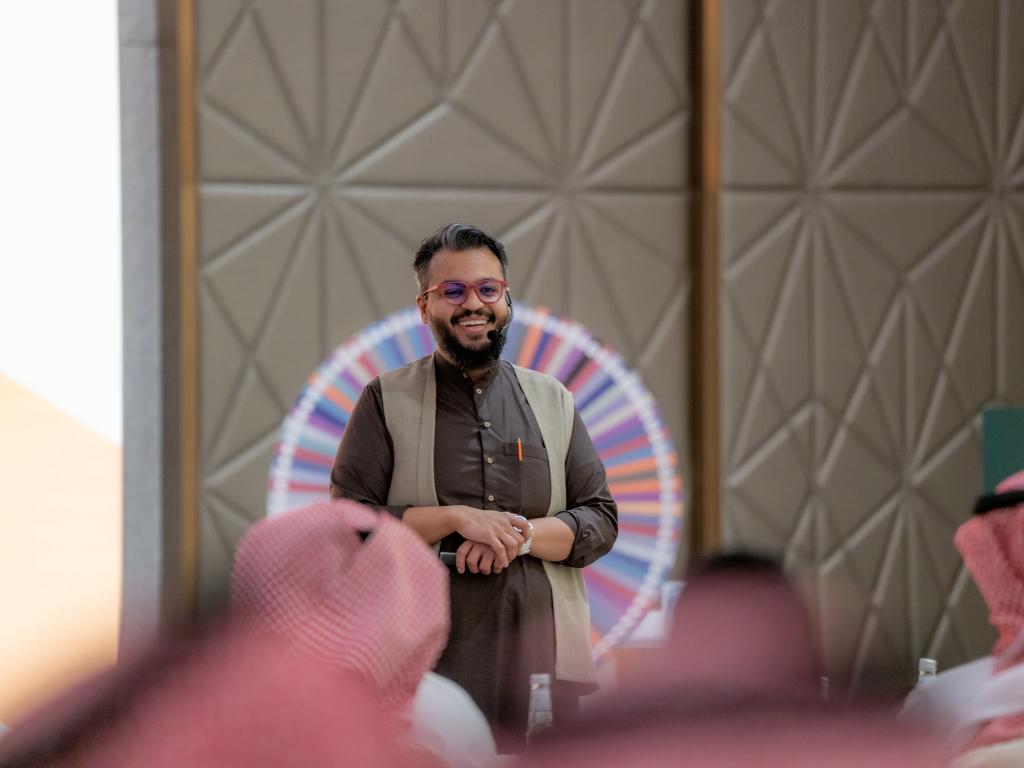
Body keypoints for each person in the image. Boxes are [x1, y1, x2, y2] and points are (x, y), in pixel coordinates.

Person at [329, 222, 618, 751]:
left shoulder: (553, 399)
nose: (473, 304)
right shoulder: (384, 400)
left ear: (506, 299)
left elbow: (599, 520)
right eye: (453, 291)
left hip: (541, 660)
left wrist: (517, 537)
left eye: (488, 289)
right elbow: (347, 523)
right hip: (424, 670)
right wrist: (456, 520)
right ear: (425, 307)